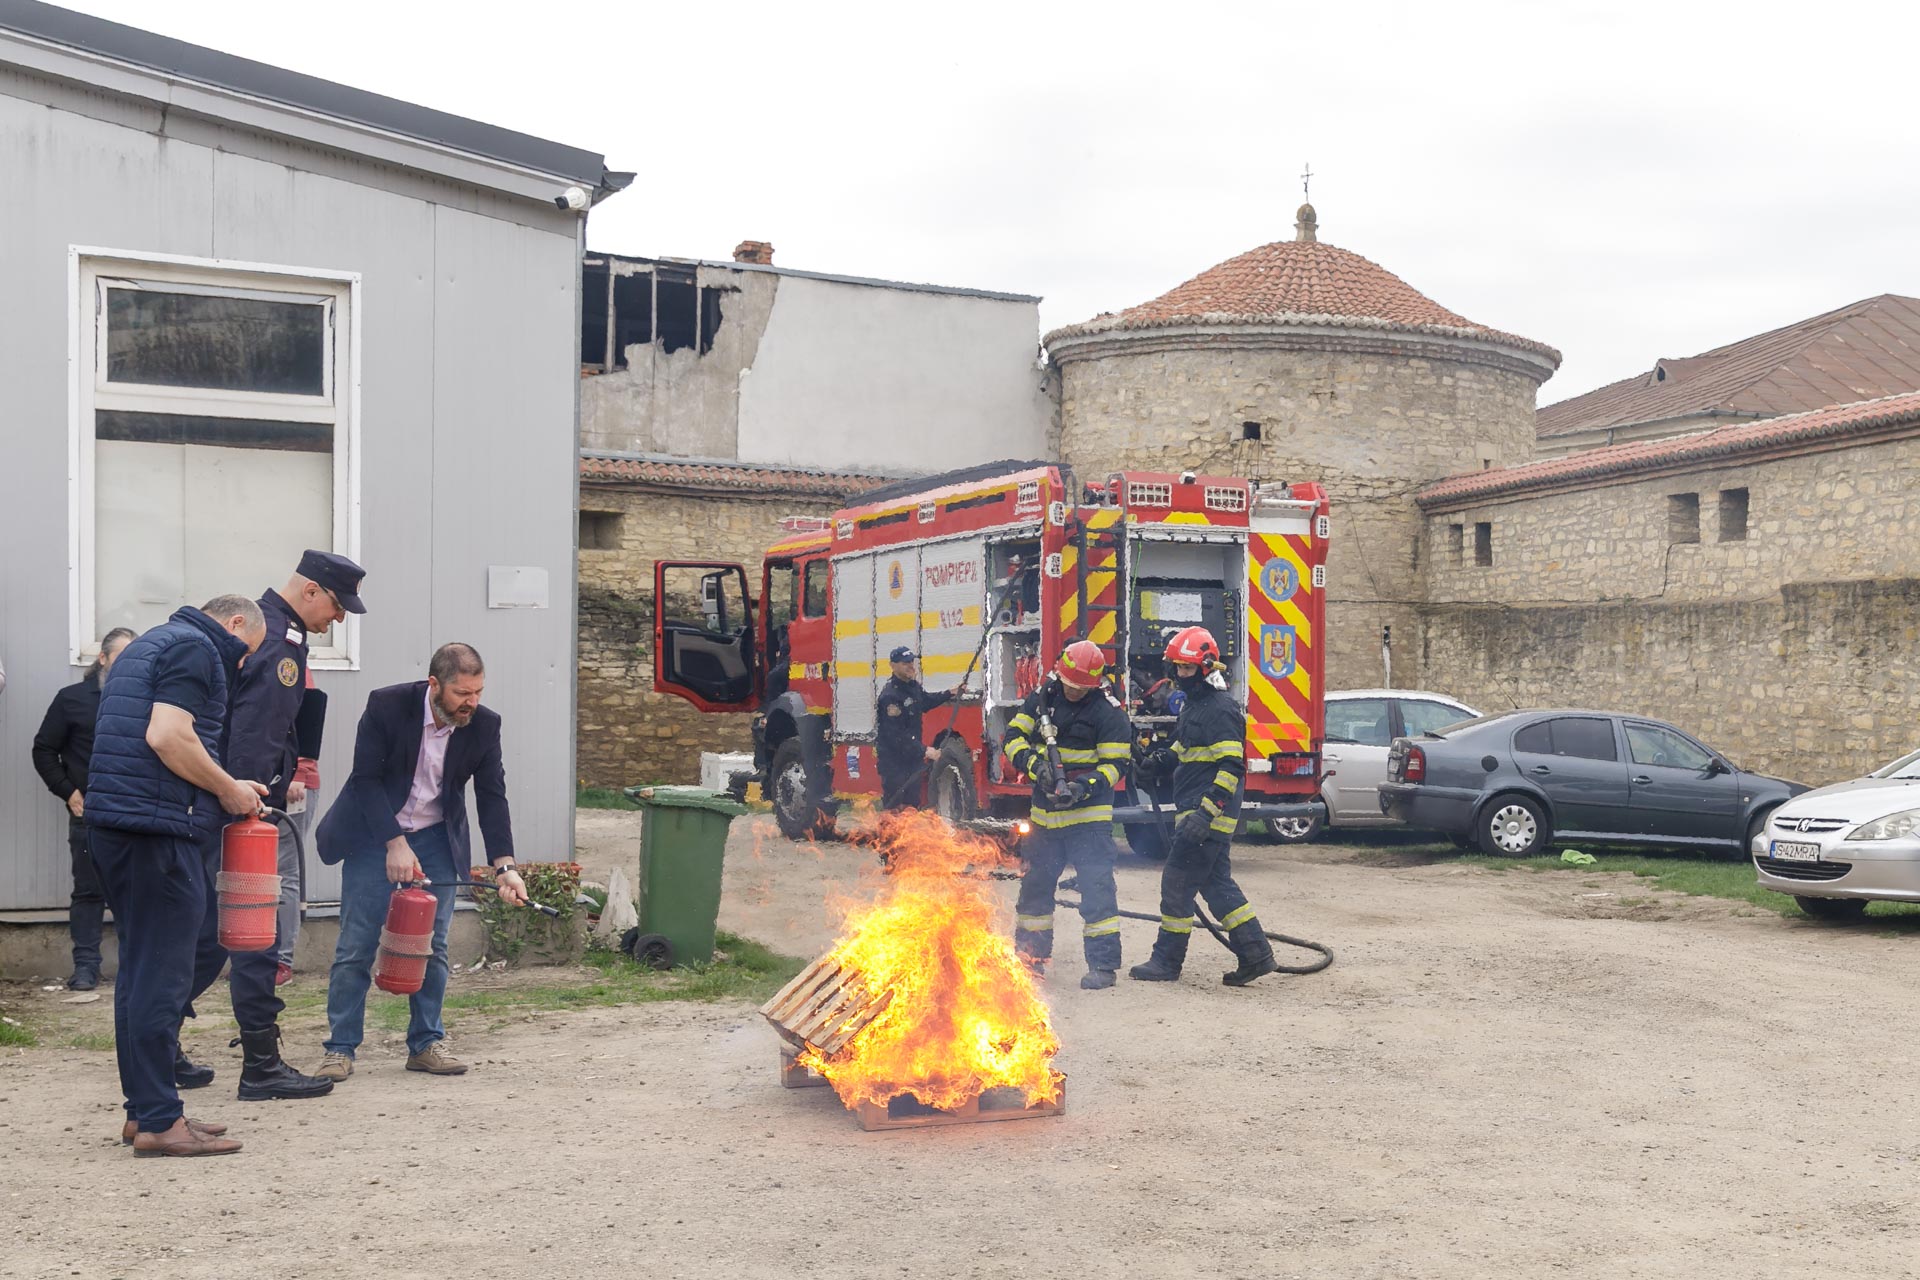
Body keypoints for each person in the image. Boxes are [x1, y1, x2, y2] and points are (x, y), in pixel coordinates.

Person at [86, 596, 270, 1156]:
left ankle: (144, 1111)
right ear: (235, 623)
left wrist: (222, 780)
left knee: (140, 974)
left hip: (122, 825)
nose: (239, 663)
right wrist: (227, 788)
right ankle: (162, 1122)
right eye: (245, 653)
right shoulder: (196, 647)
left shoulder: (150, 643)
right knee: (161, 976)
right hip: (156, 833)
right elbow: (167, 737)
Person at [314, 643, 526, 1081]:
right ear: (434, 685)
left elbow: (491, 795)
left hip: (435, 840)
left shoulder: (484, 726)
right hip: (375, 833)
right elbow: (365, 781)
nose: (471, 703)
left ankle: (426, 1043)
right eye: (462, 693)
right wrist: (393, 842)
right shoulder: (387, 705)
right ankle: (340, 1049)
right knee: (356, 944)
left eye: (478, 692)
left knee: (435, 945)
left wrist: (505, 865)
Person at [197, 551, 363, 1103]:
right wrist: (250, 802)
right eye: (337, 607)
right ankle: (261, 1068)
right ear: (311, 591)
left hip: (227, 804)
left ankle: (164, 1044)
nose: (337, 620)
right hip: (244, 808)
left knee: (207, 936)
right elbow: (254, 733)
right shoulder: (278, 642)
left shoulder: (275, 634)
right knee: (254, 936)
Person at [1129, 626, 1280, 987]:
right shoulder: (1196, 707)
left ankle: (1166, 962)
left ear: (1206, 667)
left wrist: (1205, 814)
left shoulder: (1221, 710)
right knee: (1216, 885)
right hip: (1197, 811)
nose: (1179, 675)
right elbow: (1188, 750)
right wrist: (1160, 760)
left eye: (1186, 668)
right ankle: (1255, 954)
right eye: (1177, 668)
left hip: (1208, 815)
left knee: (1176, 884)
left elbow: (1231, 766)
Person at [1003, 640, 1131, 990]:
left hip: (1087, 821)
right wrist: (1034, 767)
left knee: (1097, 891)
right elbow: (1012, 737)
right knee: (1034, 893)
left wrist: (1082, 787)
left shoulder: (1109, 713)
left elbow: (1115, 766)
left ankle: (1103, 967)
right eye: (1069, 686)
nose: (1073, 693)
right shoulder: (1043, 697)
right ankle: (1030, 960)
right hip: (1044, 821)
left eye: (1081, 689)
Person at [31, 627, 137, 990]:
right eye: (122, 658)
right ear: (103, 659)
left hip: (136, 815)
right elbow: (44, 750)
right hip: (88, 815)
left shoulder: (149, 700)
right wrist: (69, 793)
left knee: (134, 892)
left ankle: (134, 969)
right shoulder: (72, 699)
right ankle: (86, 968)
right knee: (89, 892)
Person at [276, 670, 328, 984]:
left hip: (294, 784)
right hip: (258, 779)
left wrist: (300, 772)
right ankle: (255, 951)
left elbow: (310, 709)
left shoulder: (287, 655)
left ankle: (282, 960)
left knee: (285, 869)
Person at [875, 646, 958, 809]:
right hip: (894, 764)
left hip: (912, 761)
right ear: (893, 665)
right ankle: (890, 834)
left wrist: (950, 692)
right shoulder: (890, 696)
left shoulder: (913, 687)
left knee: (912, 808)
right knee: (894, 810)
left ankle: (908, 834)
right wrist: (925, 750)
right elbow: (896, 735)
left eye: (911, 661)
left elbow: (926, 701)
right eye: (905, 663)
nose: (910, 666)